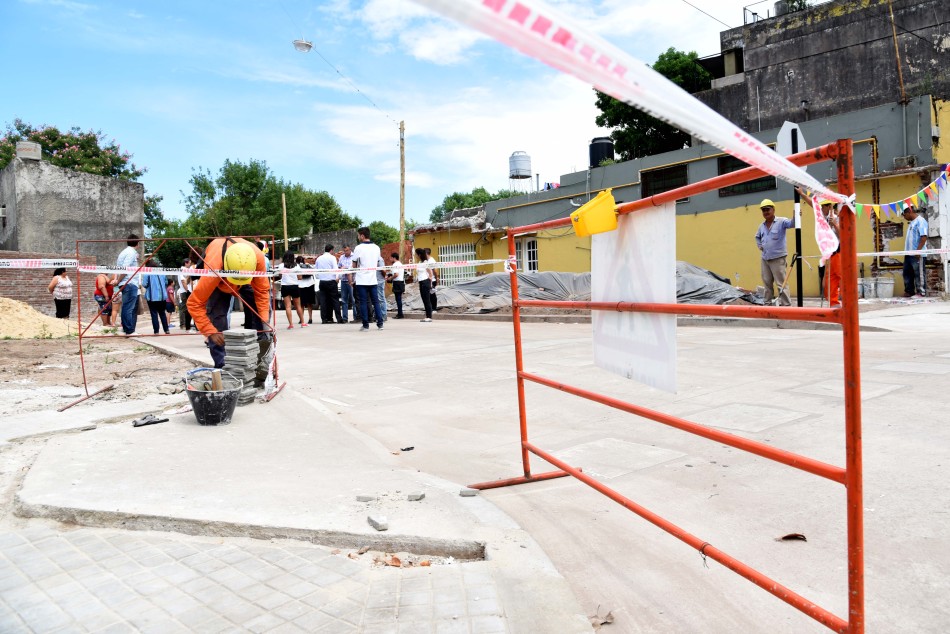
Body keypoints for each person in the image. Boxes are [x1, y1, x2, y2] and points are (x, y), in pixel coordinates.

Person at [187, 238, 272, 385]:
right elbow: (194, 303)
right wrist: (210, 331)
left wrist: (265, 324)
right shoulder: (213, 267)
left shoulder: (257, 258)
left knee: (260, 315)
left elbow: (262, 293)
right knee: (217, 318)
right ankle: (223, 369)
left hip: (246, 277)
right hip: (219, 280)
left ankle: (259, 366)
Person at [754, 199, 794, 306]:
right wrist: (759, 245)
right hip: (765, 258)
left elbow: (792, 224)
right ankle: (767, 304)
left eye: (768, 209)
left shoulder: (781, 221)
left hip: (778, 258)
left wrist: (796, 216)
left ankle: (786, 305)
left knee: (781, 283)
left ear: (773, 209)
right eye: (763, 210)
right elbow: (757, 237)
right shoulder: (761, 226)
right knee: (767, 283)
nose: (766, 212)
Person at [352, 226, 384, 331]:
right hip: (373, 279)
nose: (358, 237)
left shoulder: (358, 248)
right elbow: (378, 261)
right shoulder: (376, 247)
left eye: (358, 235)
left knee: (363, 302)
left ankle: (365, 325)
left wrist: (353, 276)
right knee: (376, 302)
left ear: (362, 235)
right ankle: (380, 324)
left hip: (361, 279)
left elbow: (354, 264)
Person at [115, 233, 142, 334]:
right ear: (137, 243)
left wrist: (118, 281)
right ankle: (129, 330)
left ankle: (126, 329)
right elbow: (125, 269)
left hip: (125, 283)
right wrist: (118, 281)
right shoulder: (131, 253)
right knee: (128, 308)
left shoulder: (124, 252)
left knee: (126, 307)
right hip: (129, 283)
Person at [902, 205, 929, 297]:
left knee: (919, 273)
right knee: (907, 273)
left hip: (917, 254)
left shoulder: (920, 221)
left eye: (904, 215)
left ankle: (921, 292)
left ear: (909, 212)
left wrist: (918, 251)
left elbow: (924, 237)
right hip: (908, 253)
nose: (904, 217)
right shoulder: (911, 223)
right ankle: (909, 291)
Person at [819, 199, 842, 307]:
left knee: (840, 277)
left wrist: (835, 224)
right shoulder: (824, 220)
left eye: (822, 206)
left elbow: (844, 236)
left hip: (838, 252)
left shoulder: (837, 219)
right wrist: (802, 195)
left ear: (828, 207)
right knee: (829, 280)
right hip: (829, 254)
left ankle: (847, 300)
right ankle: (833, 302)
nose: (821, 209)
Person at [316, 244, 344, 324]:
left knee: (323, 301)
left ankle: (324, 319)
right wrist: (337, 278)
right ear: (331, 250)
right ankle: (339, 318)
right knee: (335, 300)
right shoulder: (332, 258)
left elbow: (316, 271)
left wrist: (321, 277)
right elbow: (335, 269)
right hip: (331, 281)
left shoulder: (319, 258)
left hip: (322, 282)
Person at [277, 251, 305, 328]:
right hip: (294, 286)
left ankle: (291, 324)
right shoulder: (297, 266)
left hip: (285, 286)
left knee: (288, 306)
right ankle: (302, 322)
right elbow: (300, 277)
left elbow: (280, 276)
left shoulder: (281, 266)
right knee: (298, 306)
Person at [143, 268, 170, 335]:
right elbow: (166, 282)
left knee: (154, 314)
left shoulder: (147, 273)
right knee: (162, 313)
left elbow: (144, 284)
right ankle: (166, 330)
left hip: (152, 297)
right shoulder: (162, 272)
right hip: (162, 297)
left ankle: (156, 331)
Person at [415, 247, 434, 322]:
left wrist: (429, 281)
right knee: (424, 299)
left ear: (419, 255)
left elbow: (430, 273)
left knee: (427, 299)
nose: (415, 255)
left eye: (416, 254)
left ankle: (429, 316)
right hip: (421, 282)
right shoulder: (420, 263)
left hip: (425, 282)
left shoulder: (426, 262)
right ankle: (427, 315)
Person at [296, 255, 316, 324]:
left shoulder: (296, 267)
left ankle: (301, 319)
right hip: (310, 285)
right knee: (309, 303)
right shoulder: (308, 265)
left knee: (301, 304)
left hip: (300, 286)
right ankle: (310, 318)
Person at [338, 245, 354, 323]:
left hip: (352, 281)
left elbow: (355, 268)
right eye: (344, 251)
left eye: (347, 250)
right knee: (344, 300)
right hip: (343, 281)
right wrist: (341, 269)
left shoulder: (354, 257)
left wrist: (347, 268)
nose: (346, 252)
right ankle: (345, 318)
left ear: (350, 249)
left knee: (353, 300)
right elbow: (339, 267)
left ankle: (356, 317)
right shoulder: (341, 257)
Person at [387, 252, 405, 319]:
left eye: (391, 258)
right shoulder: (400, 264)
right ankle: (400, 313)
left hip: (397, 283)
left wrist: (390, 278)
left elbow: (396, 274)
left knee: (398, 299)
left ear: (394, 258)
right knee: (399, 299)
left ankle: (400, 314)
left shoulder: (395, 264)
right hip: (401, 282)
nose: (390, 259)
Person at [178, 258, 194, 331]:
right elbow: (183, 281)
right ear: (186, 263)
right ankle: (183, 324)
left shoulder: (186, 270)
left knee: (186, 308)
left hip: (186, 290)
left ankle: (185, 323)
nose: (190, 264)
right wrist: (187, 290)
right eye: (189, 263)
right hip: (184, 291)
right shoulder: (182, 270)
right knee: (184, 309)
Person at [376, 255, 388, 322]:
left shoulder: (379, 259)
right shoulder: (374, 259)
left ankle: (383, 315)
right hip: (375, 281)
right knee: (377, 299)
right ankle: (379, 315)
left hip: (379, 281)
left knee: (381, 298)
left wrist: (384, 277)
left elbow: (383, 270)